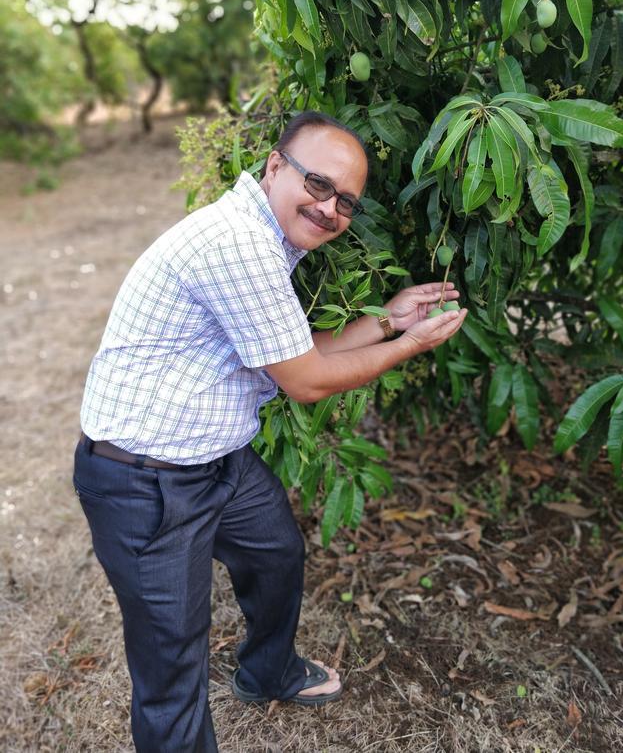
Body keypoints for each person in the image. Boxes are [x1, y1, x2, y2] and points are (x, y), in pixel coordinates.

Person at [73, 110, 467, 752]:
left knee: (276, 554)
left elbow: (294, 349)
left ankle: (267, 673)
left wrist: (390, 322)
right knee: (172, 668)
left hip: (213, 458)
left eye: (345, 201)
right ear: (275, 167)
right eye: (318, 184)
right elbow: (307, 380)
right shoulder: (239, 244)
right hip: (143, 480)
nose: (330, 207)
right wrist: (411, 346)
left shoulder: (264, 235)